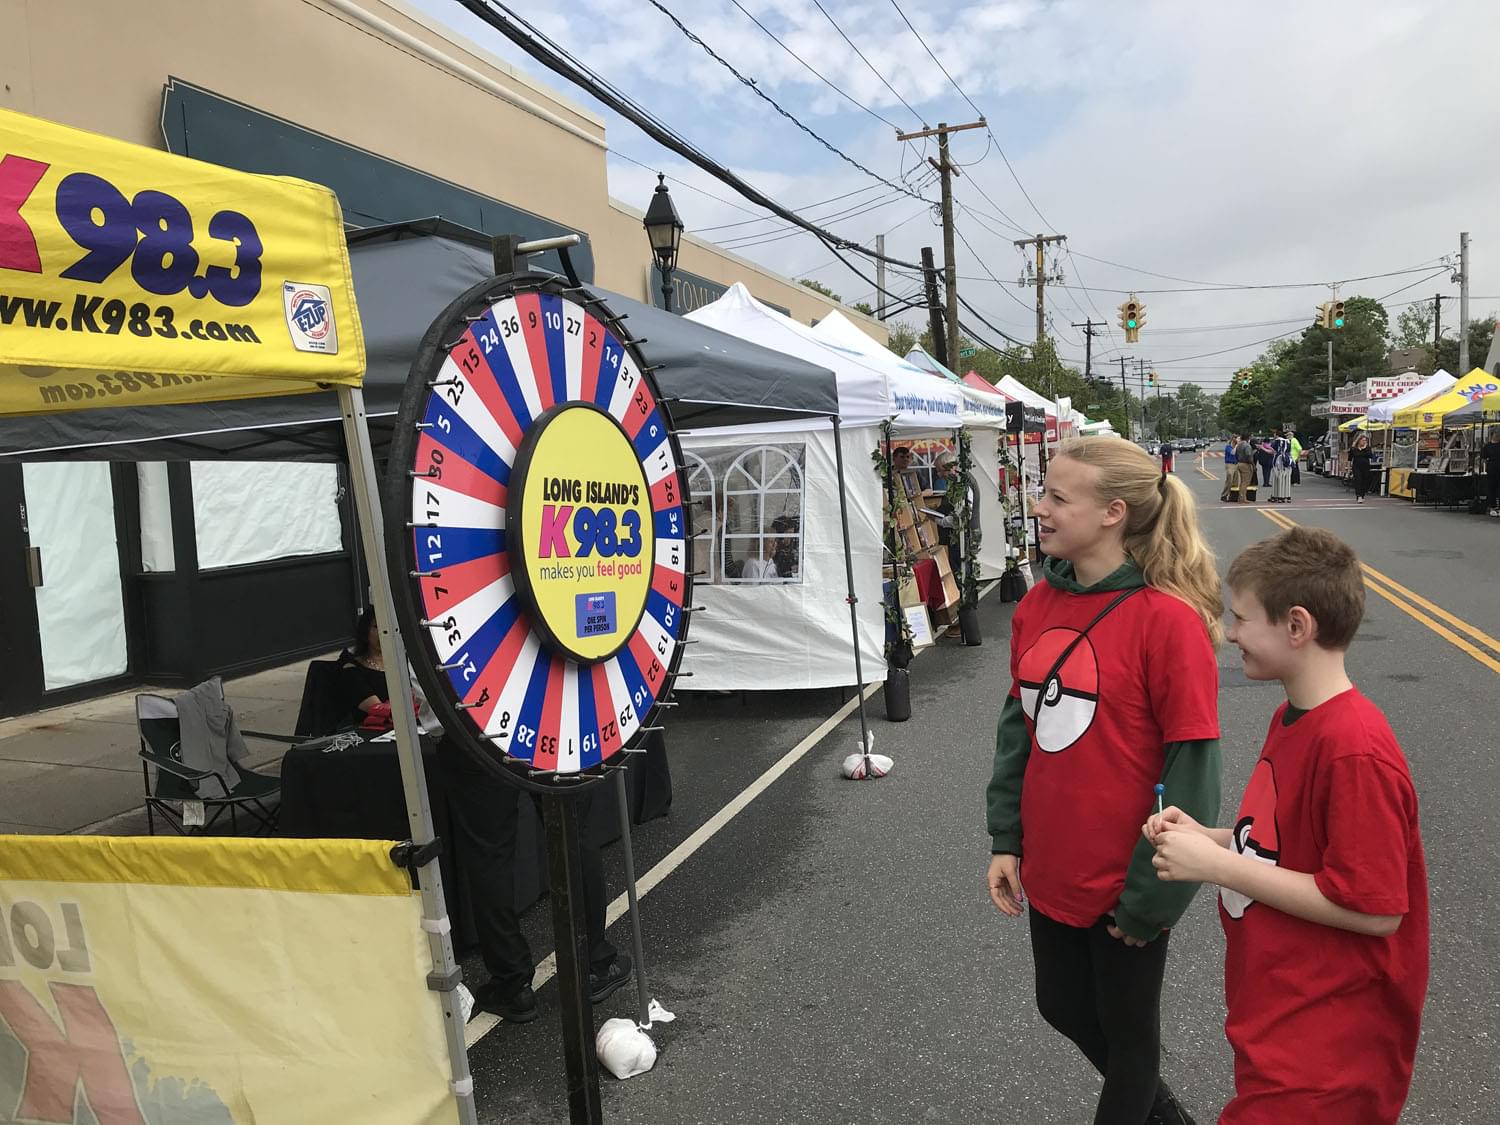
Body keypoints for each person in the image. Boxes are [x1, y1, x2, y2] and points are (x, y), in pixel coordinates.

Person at [1146, 527, 1428, 1124]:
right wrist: (1209, 837)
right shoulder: (1293, 716)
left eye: (1242, 618)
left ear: (1297, 627)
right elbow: (1284, 848)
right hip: (1282, 1016)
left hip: (1330, 1048)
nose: (1229, 633)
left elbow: (1376, 909)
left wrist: (1218, 866)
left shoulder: (1353, 749)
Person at [986, 437, 1222, 1125]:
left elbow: (1194, 771)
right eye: (1044, 492)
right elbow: (1018, 729)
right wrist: (1007, 837)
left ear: (1113, 512)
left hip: (1127, 877)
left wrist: (1152, 896)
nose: (1040, 507)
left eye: (1058, 496)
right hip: (1054, 862)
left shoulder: (1166, 620)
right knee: (1059, 1004)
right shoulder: (1036, 605)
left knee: (1129, 1045)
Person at [438, 738, 633, 1023]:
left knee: (489, 855)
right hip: (548, 721)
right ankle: (594, 964)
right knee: (572, 833)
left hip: (473, 727)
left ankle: (512, 983)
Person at [1268, 432, 1293, 504]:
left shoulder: (1277, 441)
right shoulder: (1288, 441)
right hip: (1287, 460)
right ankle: (1287, 496)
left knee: (1277, 478)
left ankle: (1277, 495)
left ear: (1277, 435)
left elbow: (1273, 450)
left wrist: (1263, 448)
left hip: (1278, 460)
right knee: (1287, 479)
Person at [1350, 433, 1374, 504]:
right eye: (1363, 440)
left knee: (1364, 481)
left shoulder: (1367, 448)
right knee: (1358, 480)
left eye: (1365, 440)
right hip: (1356, 466)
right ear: (1359, 441)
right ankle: (1359, 496)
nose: (1364, 442)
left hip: (1365, 466)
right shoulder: (1354, 448)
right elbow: (1351, 457)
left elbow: (1370, 455)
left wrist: (1364, 450)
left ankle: (1362, 495)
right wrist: (1348, 467)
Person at [1482, 427, 1500, 516]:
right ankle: (1493, 507)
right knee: (1492, 489)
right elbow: (1484, 458)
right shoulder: (1487, 446)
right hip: (1491, 471)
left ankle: (1498, 507)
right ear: (1493, 435)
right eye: (1497, 434)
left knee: (1498, 489)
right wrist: (1485, 468)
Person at [1235, 434, 1256, 502]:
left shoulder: (1238, 445)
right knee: (1245, 482)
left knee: (1242, 482)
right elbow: (1248, 455)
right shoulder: (1247, 446)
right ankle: (1243, 498)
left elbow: (1235, 454)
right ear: (1248, 438)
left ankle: (1241, 497)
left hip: (1239, 463)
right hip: (1246, 464)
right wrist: (1253, 465)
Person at [1221, 434, 1239, 502]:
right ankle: (1224, 495)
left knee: (1236, 481)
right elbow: (1232, 453)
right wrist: (1237, 446)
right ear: (1233, 439)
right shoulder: (1228, 447)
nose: (1237, 440)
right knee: (1229, 479)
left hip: (1236, 464)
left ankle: (1233, 496)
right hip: (1230, 464)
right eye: (1236, 438)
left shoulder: (1238, 446)